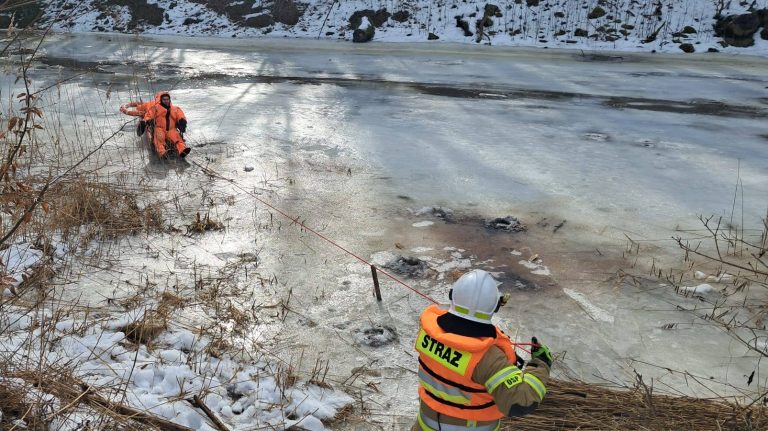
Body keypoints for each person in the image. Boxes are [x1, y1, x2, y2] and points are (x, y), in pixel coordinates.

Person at [412, 269, 553, 431]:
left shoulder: (428, 333)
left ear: (453, 295)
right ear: (495, 307)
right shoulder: (488, 358)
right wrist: (541, 365)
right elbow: (520, 402)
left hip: (425, 423)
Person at [139, 91, 190, 158]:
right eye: (164, 100)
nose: (166, 101)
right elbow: (149, 115)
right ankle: (163, 153)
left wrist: (182, 121)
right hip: (160, 128)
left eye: (167, 99)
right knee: (159, 140)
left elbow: (181, 115)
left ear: (169, 100)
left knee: (177, 139)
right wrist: (145, 122)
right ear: (161, 100)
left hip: (171, 129)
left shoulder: (175, 109)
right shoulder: (155, 108)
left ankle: (183, 150)